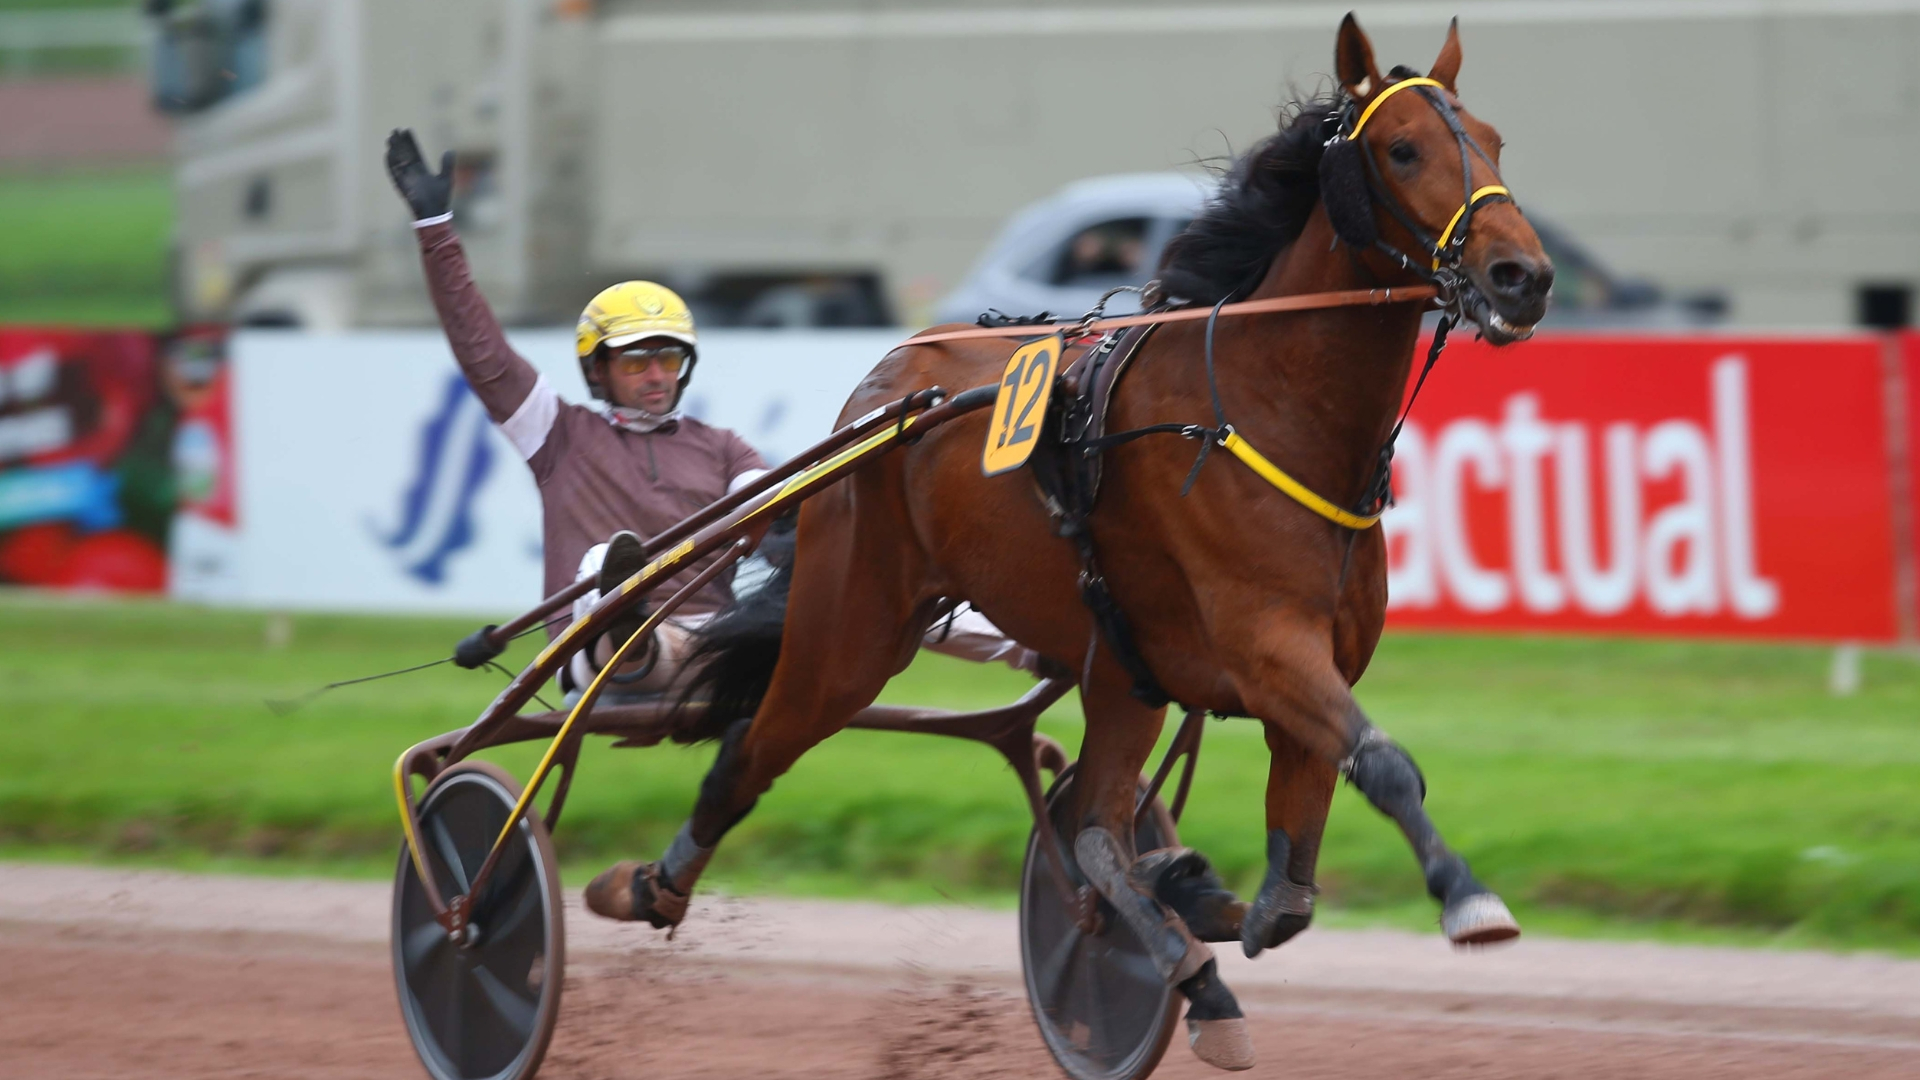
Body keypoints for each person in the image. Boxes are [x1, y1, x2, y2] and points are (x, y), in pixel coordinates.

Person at [384, 130, 1038, 707]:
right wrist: (435, 228)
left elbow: (779, 512)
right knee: (600, 565)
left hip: (720, 646)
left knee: (879, 572)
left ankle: (1037, 648)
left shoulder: (721, 448)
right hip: (607, 663)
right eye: (637, 361)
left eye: (667, 358)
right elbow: (483, 354)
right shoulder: (556, 435)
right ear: (599, 370)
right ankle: (627, 623)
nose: (656, 374)